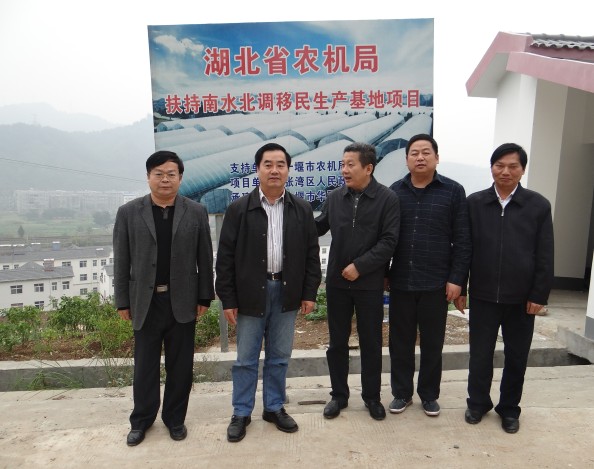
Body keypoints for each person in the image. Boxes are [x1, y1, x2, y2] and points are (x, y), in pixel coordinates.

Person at [216, 142, 321, 443]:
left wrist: (309, 292)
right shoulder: (239, 209)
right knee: (245, 359)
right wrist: (228, 298)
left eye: (280, 165)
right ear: (258, 169)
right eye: (268, 164)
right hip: (251, 293)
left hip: (286, 293)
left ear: (288, 170)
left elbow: (311, 255)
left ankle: (274, 407)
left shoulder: (301, 209)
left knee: (279, 356)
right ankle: (241, 412)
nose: (274, 170)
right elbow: (225, 258)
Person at [113, 150, 214, 446]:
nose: (165, 179)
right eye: (158, 174)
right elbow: (122, 260)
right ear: (148, 177)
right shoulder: (129, 212)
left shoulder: (196, 211)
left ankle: (175, 419)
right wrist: (122, 301)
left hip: (183, 301)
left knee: (180, 366)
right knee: (144, 366)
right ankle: (141, 421)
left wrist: (205, 297)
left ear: (180, 178)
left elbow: (204, 257)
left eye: (171, 174)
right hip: (144, 302)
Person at [458, 143, 554, 433]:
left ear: (522, 170)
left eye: (513, 166)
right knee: (480, 355)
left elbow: (545, 253)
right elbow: (464, 249)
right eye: (499, 165)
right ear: (492, 168)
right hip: (483, 296)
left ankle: (509, 409)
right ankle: (477, 403)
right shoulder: (475, 203)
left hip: (521, 300)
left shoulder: (537, 205)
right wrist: (461, 287)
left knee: (516, 357)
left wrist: (539, 294)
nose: (505, 171)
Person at [387, 133, 471, 417]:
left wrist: (457, 280)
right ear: (407, 159)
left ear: (436, 157)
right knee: (400, 343)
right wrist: (384, 273)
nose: (420, 157)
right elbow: (385, 238)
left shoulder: (453, 191)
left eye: (426, 152)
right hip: (401, 280)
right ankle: (401, 393)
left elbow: (462, 239)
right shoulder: (394, 192)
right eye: (414, 153)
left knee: (433, 344)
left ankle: (429, 395)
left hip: (437, 282)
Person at [315, 142, 400, 421]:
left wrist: (360, 267)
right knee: (337, 342)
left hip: (369, 284)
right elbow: (319, 226)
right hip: (337, 283)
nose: (344, 170)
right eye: (343, 164)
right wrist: (293, 216)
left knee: (371, 343)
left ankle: (372, 397)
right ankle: (339, 395)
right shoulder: (335, 197)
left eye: (350, 165)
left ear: (368, 168)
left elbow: (389, 241)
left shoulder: (387, 199)